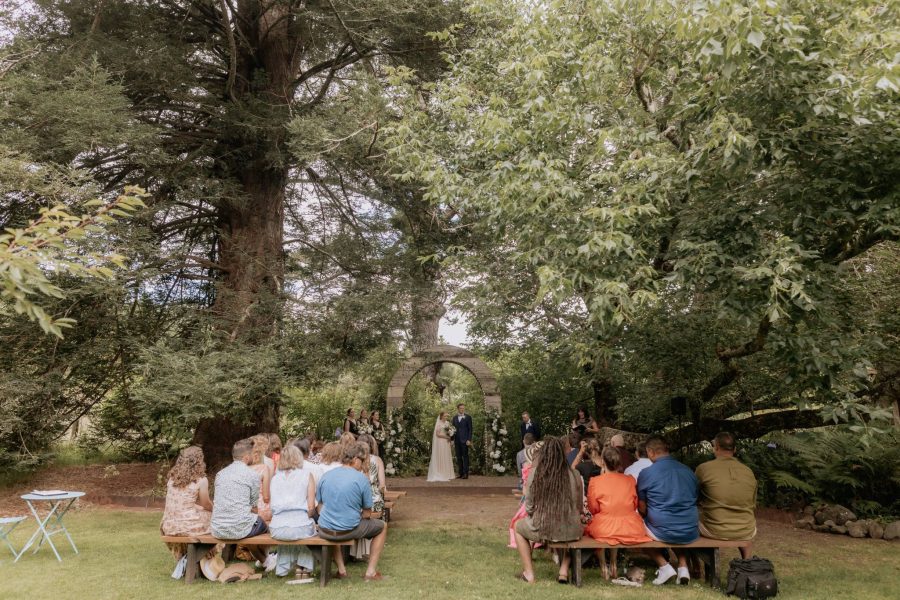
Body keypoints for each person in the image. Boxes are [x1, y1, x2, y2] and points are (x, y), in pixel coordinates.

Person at [513, 436, 583, 584]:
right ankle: (563, 569)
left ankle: (529, 573)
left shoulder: (536, 473)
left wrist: (536, 517)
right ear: (563, 454)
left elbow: (529, 505)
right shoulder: (575, 474)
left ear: (545, 453)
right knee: (568, 534)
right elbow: (579, 507)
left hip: (545, 528)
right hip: (572, 529)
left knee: (517, 527)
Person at [316, 442, 388, 581]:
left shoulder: (326, 475)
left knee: (333, 523)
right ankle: (371, 572)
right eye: (362, 461)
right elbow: (367, 513)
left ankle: (342, 571)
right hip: (348, 529)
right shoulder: (361, 478)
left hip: (325, 529)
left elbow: (319, 507)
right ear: (355, 459)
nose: (362, 465)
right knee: (382, 526)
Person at [637, 435, 699, 585]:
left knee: (636, 531)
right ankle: (683, 567)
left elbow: (642, 507)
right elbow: (696, 498)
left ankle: (664, 566)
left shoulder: (646, 473)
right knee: (675, 525)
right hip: (689, 530)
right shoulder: (688, 471)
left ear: (650, 452)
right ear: (667, 450)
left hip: (662, 529)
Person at [584, 446, 652, 578]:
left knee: (602, 526)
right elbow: (634, 505)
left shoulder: (595, 482)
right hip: (630, 527)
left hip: (604, 527)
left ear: (603, 462)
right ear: (619, 462)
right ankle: (614, 563)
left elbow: (593, 509)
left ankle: (604, 566)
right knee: (614, 526)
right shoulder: (630, 480)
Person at [695, 432, 757, 559]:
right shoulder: (748, 471)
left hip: (714, 529)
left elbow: (693, 497)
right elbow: (752, 503)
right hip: (746, 529)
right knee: (743, 524)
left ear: (716, 447)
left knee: (687, 521)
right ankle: (747, 561)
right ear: (734, 449)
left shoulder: (703, 469)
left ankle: (694, 566)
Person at [211, 439, 268, 562]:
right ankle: (265, 559)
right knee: (263, 525)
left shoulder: (220, 474)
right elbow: (254, 508)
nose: (254, 456)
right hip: (239, 528)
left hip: (218, 528)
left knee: (250, 522)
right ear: (247, 457)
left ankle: (262, 559)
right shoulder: (252, 475)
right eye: (253, 454)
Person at [269, 445, 317, 579]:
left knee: (289, 529)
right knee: (305, 528)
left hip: (277, 528)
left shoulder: (275, 478)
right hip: (299, 524)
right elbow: (311, 507)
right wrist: (305, 516)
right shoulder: (307, 475)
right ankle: (303, 567)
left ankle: (283, 568)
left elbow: (272, 506)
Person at [160, 446, 213, 562]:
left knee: (202, 513)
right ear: (199, 461)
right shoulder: (201, 480)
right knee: (215, 520)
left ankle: (186, 558)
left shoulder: (172, 479)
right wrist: (215, 509)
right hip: (187, 525)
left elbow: (183, 503)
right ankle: (206, 559)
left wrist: (198, 508)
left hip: (168, 525)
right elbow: (206, 504)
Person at [508, 440, 543, 548]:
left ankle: (528, 541)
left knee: (519, 520)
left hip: (532, 502)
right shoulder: (547, 471)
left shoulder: (529, 469)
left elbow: (525, 491)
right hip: (540, 503)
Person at [249, 434, 273, 524]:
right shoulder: (264, 468)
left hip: (245, 509)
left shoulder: (242, 468)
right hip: (260, 510)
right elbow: (266, 497)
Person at [427, 411, 455, 482]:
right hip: (441, 442)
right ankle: (441, 472)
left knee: (446, 456)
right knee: (441, 455)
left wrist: (450, 436)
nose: (446, 417)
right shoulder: (439, 423)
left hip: (446, 442)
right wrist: (446, 437)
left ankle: (448, 473)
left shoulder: (447, 423)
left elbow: (449, 432)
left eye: (447, 416)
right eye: (445, 416)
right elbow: (437, 434)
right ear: (441, 416)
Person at [451, 403, 473, 479]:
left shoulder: (468, 417)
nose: (462, 409)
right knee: (458, 457)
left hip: (465, 440)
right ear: (458, 409)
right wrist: (452, 440)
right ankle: (460, 473)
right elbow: (452, 430)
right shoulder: (454, 418)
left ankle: (466, 474)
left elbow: (470, 429)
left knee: (465, 457)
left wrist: (469, 439)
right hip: (457, 441)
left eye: (463, 408)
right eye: (461, 408)